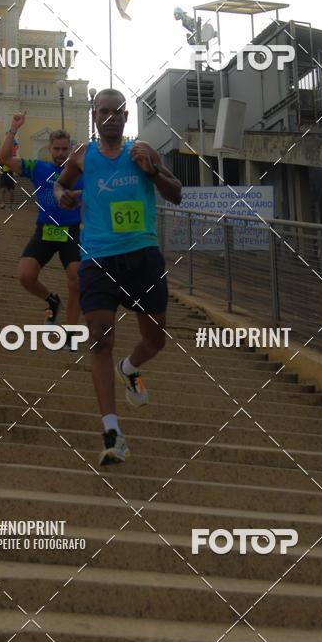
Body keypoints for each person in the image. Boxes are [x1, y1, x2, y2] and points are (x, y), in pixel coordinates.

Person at [54, 88, 182, 465]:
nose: (109, 117)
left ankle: (130, 368)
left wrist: (154, 171)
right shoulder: (83, 155)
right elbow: (61, 183)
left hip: (142, 257)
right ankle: (112, 432)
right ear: (94, 116)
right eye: (102, 111)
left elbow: (177, 194)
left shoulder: (141, 151)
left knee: (155, 339)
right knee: (98, 340)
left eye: (116, 112)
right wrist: (63, 193)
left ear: (126, 117)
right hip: (98, 259)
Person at [0, 114, 84, 349]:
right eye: (56, 148)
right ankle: (51, 301)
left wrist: (80, 200)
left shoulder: (80, 173)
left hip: (71, 232)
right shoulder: (38, 167)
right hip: (44, 230)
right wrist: (13, 128)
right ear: (49, 148)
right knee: (25, 276)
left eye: (65, 149)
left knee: (76, 279)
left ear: (71, 149)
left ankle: (71, 332)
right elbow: (4, 158)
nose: (60, 153)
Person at [0, 140, 18, 210]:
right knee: (3, 189)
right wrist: (0, 171)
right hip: (4, 173)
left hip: (11, 174)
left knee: (12, 191)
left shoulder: (14, 156)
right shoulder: (4, 155)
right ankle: (2, 203)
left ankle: (10, 205)